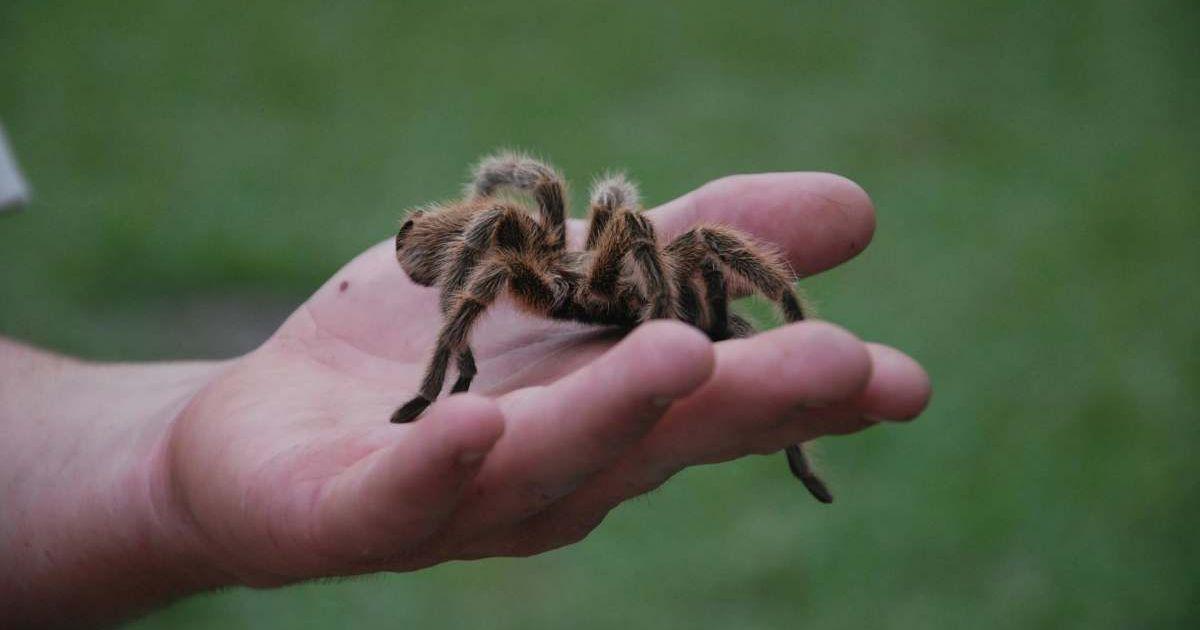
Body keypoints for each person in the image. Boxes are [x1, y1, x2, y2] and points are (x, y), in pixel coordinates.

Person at [0, 131, 931, 627]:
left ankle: (800, 347)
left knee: (677, 237)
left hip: (583, 270)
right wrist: (453, 365)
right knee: (575, 225)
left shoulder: (658, 266)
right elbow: (561, 217)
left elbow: (624, 223)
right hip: (490, 262)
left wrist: (157, 474)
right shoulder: (537, 263)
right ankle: (458, 361)